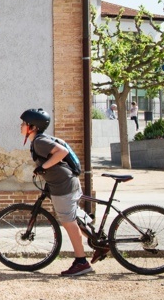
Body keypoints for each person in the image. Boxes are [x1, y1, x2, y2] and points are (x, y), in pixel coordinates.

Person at [21, 108, 105, 276]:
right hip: (64, 183)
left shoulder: (39, 141)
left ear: (33, 126)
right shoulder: (38, 140)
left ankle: (81, 262)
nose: (21, 126)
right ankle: (100, 242)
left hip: (63, 185)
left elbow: (62, 152)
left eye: (24, 123)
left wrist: (42, 167)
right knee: (74, 216)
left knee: (68, 221)